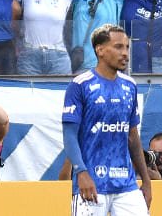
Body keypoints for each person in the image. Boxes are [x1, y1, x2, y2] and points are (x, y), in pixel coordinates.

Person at [62, 24, 153, 215]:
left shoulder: (130, 85)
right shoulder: (80, 85)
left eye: (127, 47)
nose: (125, 53)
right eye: (118, 47)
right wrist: (81, 173)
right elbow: (69, 135)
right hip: (91, 183)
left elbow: (132, 136)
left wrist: (146, 180)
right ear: (100, 49)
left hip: (126, 184)